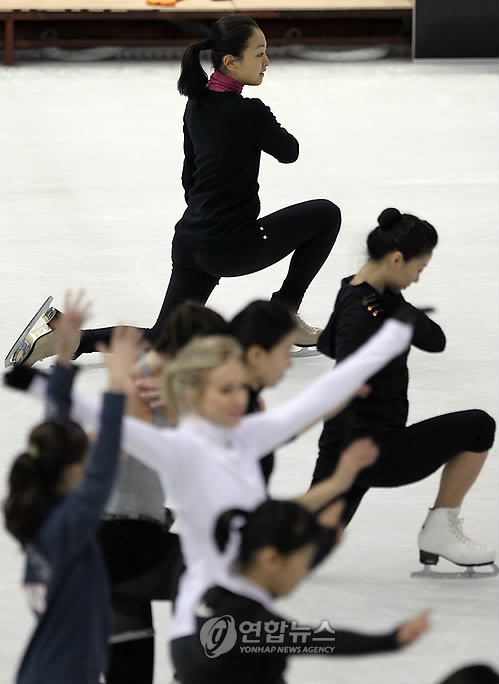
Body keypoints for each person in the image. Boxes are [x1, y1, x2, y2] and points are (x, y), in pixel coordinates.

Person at [5, 310, 414, 646]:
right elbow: (107, 437)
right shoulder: (154, 387)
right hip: (123, 544)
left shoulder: (188, 394)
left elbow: (284, 421)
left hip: (131, 539)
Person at [10, 14, 341, 367]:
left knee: (161, 339)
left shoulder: (196, 105)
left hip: (191, 241)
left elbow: (190, 177)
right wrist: (262, 119)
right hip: (234, 245)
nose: (267, 62)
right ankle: (285, 312)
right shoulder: (249, 112)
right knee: (326, 214)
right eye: (259, 53)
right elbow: (289, 152)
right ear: (231, 62)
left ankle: (66, 339)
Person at [311, 208, 496, 571]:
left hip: (338, 446)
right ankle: (439, 530)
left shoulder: (352, 291)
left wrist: (393, 311)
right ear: (397, 259)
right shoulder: (373, 311)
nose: (416, 278)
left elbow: (327, 346)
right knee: (480, 426)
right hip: (374, 450)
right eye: (418, 269)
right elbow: (430, 340)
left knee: (303, 549)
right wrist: (397, 317)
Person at [2, 293, 139, 684]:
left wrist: (64, 356)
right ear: (72, 469)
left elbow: (56, 426)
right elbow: (105, 461)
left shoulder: (46, 508)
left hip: (46, 667)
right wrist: (116, 387)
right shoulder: (69, 525)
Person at [97, 300, 228, 684]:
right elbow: (118, 446)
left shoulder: (164, 380)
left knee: (130, 666)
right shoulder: (148, 379)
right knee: (221, 586)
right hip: (123, 540)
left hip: (120, 538)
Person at [171, 499, 430, 684]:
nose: (305, 572)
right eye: (303, 563)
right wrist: (391, 640)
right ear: (271, 558)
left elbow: (281, 574)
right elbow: (319, 640)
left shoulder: (209, 591)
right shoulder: (248, 627)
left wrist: (324, 542)